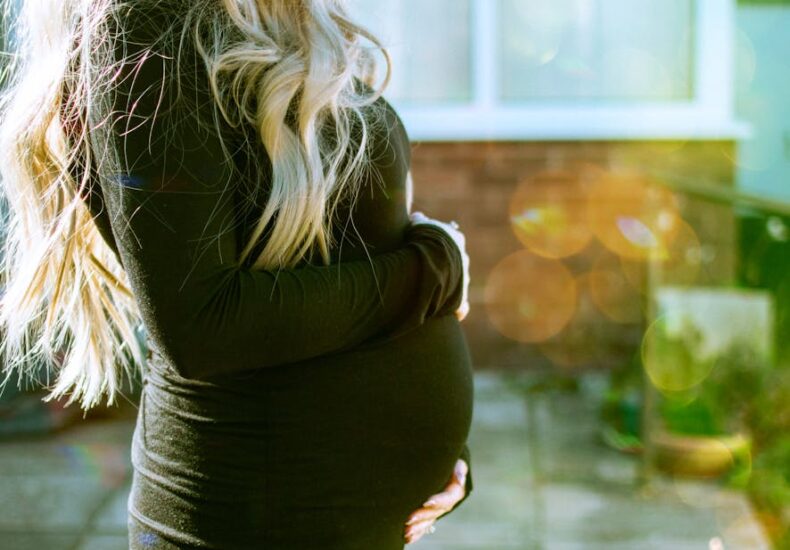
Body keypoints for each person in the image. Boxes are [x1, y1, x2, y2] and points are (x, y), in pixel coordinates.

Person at [0, 0, 474, 547]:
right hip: (253, 517)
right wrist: (433, 272)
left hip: (346, 519)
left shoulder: (284, 12)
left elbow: (351, 247)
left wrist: (430, 449)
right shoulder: (145, 21)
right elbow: (202, 323)